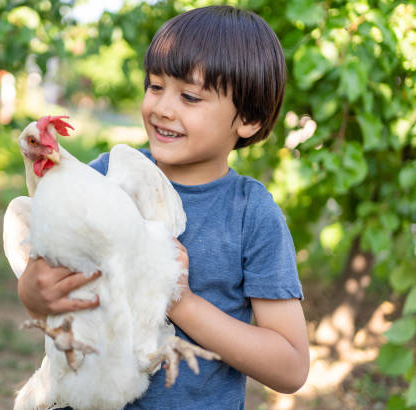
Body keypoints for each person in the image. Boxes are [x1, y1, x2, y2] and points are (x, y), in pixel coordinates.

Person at [17, 5, 309, 409]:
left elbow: (290, 367)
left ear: (249, 120)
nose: (162, 108)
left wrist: (180, 301)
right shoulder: (108, 177)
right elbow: (44, 267)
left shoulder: (251, 215)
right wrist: (34, 292)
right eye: (155, 86)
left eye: (189, 96)